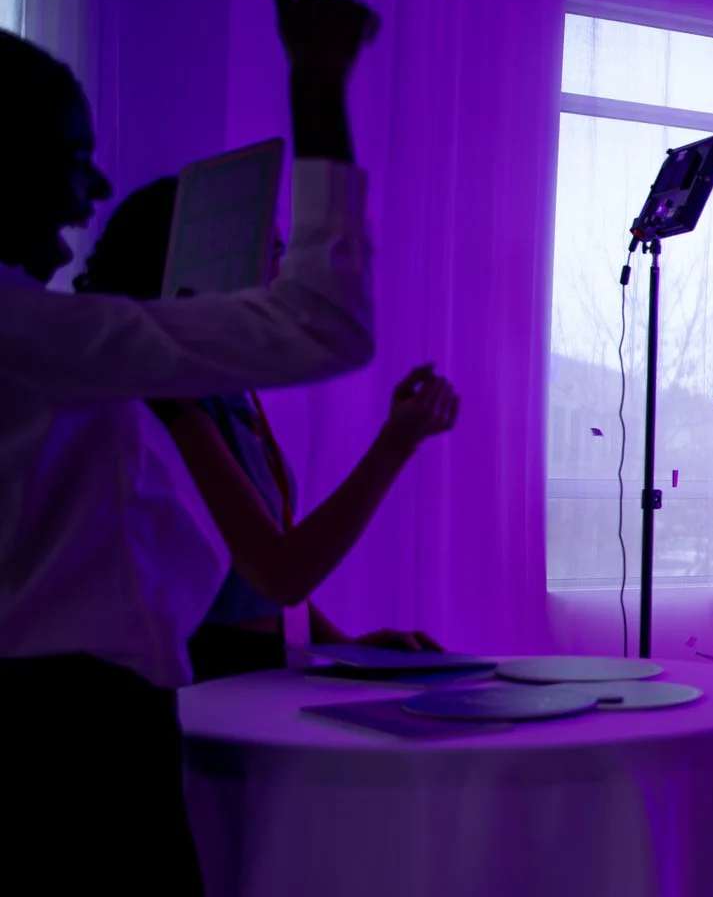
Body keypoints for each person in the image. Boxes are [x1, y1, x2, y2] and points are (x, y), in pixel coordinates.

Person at [0, 0, 380, 897]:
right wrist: (319, 83)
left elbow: (245, 569)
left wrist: (331, 628)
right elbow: (265, 550)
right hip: (70, 742)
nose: (87, 188)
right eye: (63, 159)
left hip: (95, 723)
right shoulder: (42, 335)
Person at [75, 177, 458, 678]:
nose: (283, 277)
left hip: (255, 663)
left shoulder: (223, 389)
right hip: (206, 673)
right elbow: (281, 572)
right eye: (274, 252)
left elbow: (254, 574)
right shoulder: (169, 396)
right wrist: (395, 443)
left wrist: (343, 646)